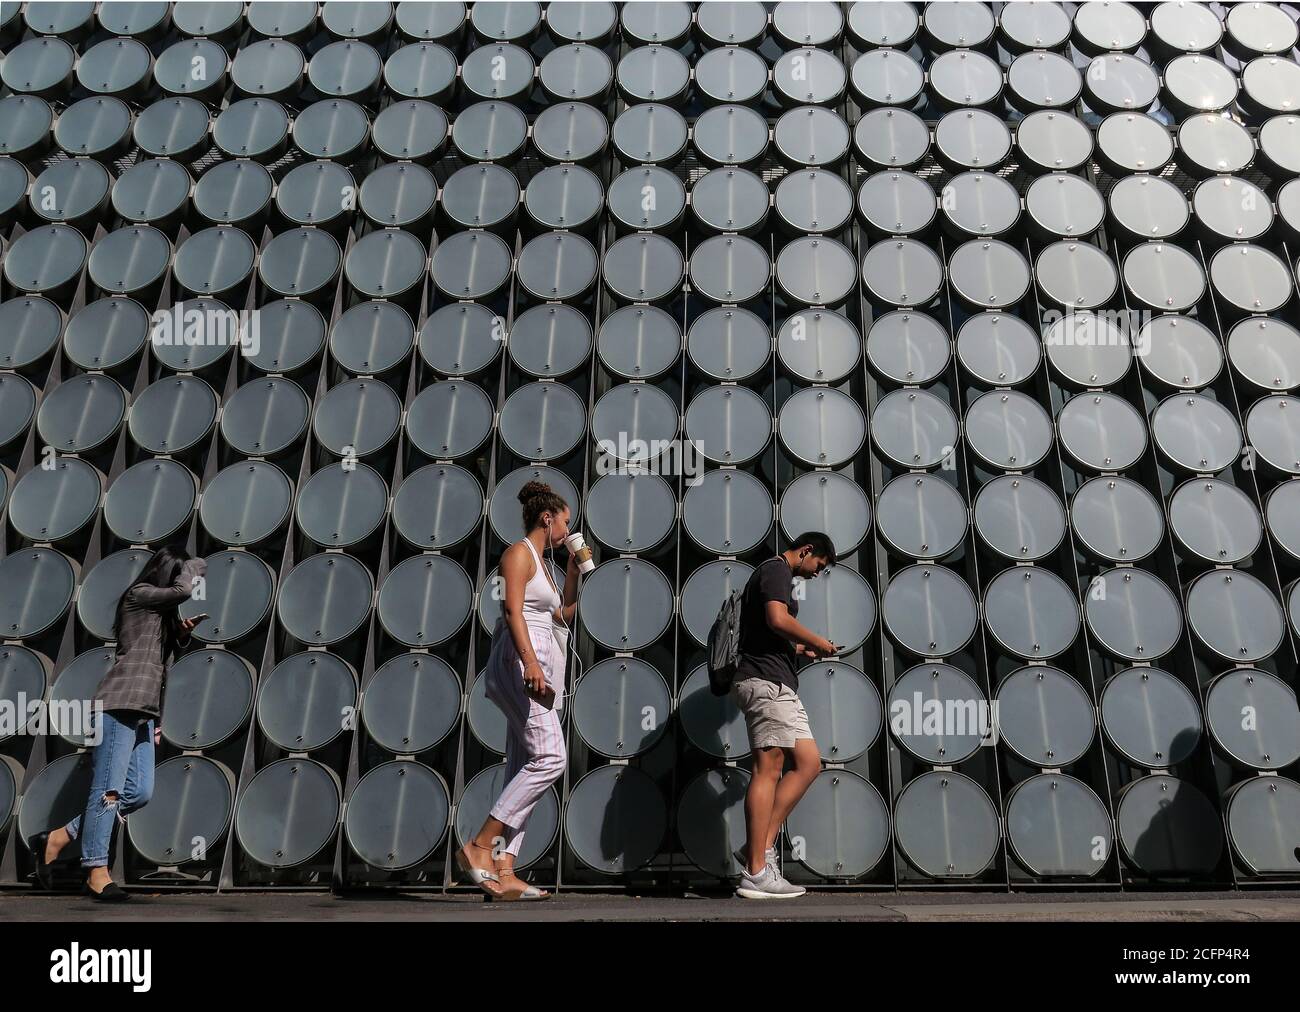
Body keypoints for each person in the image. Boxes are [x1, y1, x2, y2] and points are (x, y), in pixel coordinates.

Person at [32, 545, 206, 901]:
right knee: (108, 792)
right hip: (118, 703)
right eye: (176, 575)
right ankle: (97, 872)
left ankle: (60, 836)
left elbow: (156, 660)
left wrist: (181, 634)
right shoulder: (139, 594)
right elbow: (185, 590)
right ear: (166, 573)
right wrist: (195, 564)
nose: (182, 583)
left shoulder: (158, 613)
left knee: (139, 792)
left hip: (143, 710)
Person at [458, 480, 582, 900]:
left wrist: (574, 572)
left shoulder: (545, 564)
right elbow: (512, 608)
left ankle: (504, 867)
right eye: (566, 522)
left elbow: (562, 614)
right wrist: (530, 662)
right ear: (547, 519)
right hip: (520, 663)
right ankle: (478, 847)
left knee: (521, 767)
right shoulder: (518, 554)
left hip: (539, 664)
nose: (568, 529)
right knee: (550, 758)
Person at [731, 532, 839, 900]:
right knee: (769, 769)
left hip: (776, 681)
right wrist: (818, 640)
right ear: (806, 551)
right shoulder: (776, 570)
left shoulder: (777, 574)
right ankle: (757, 872)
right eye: (818, 566)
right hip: (764, 682)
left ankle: (755, 849)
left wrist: (797, 649)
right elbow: (776, 618)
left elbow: (769, 630)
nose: (816, 574)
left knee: (809, 764)